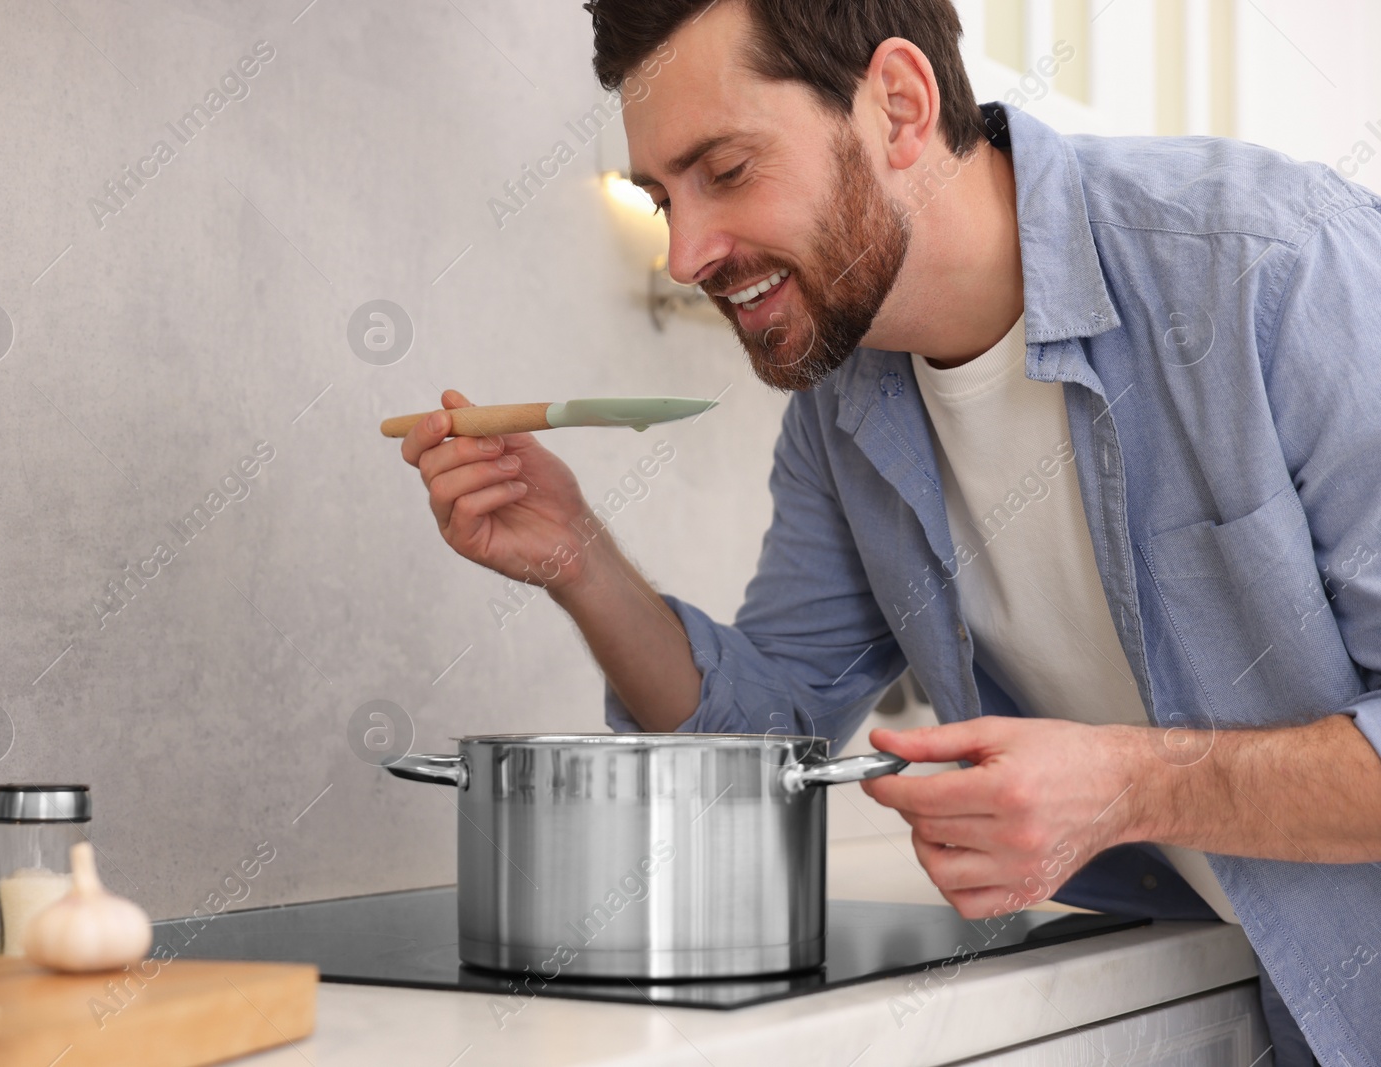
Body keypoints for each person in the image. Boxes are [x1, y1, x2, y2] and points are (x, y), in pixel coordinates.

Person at [396, 1, 1381, 1060]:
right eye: (658, 197)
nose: (684, 253)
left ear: (900, 106)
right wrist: (578, 559)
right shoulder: (843, 409)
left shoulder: (1270, 269)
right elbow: (764, 738)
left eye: (724, 171)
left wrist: (1124, 786)